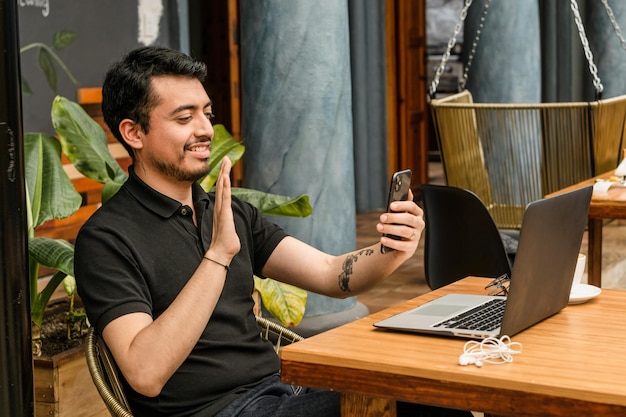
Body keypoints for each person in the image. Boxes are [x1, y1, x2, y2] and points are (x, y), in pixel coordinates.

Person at [75, 46, 471, 417]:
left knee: (438, 386)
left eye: (206, 113)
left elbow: (331, 274)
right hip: (222, 411)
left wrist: (393, 249)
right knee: (420, 402)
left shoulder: (227, 211)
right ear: (133, 133)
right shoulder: (107, 238)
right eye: (184, 117)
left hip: (285, 391)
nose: (206, 130)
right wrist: (217, 256)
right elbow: (145, 373)